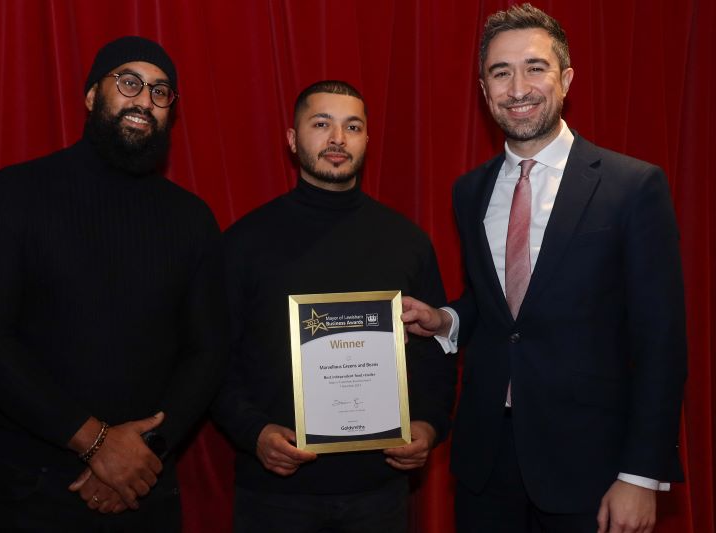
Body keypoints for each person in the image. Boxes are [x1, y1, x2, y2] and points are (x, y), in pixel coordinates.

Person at [401, 4, 687, 533]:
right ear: (483, 90)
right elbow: (503, 312)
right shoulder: (470, 191)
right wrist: (446, 321)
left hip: (592, 468)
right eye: (500, 72)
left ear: (566, 78)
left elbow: (661, 340)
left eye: (535, 67)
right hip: (486, 465)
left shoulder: (632, 186)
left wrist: (641, 475)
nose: (518, 88)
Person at [0, 36, 226, 532]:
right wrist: (97, 443)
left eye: (161, 92)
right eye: (129, 82)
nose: (145, 99)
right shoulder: (12, 194)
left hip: (147, 486)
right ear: (90, 95)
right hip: (30, 490)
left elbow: (207, 351)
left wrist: (140, 457)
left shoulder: (193, 218)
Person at [210, 80, 456, 533]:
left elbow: (435, 348)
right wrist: (254, 433)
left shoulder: (407, 243)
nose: (337, 139)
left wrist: (429, 424)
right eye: (321, 124)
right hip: (275, 494)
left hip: (379, 492)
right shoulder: (243, 243)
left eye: (352, 126)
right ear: (292, 139)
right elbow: (214, 359)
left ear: (366, 139)